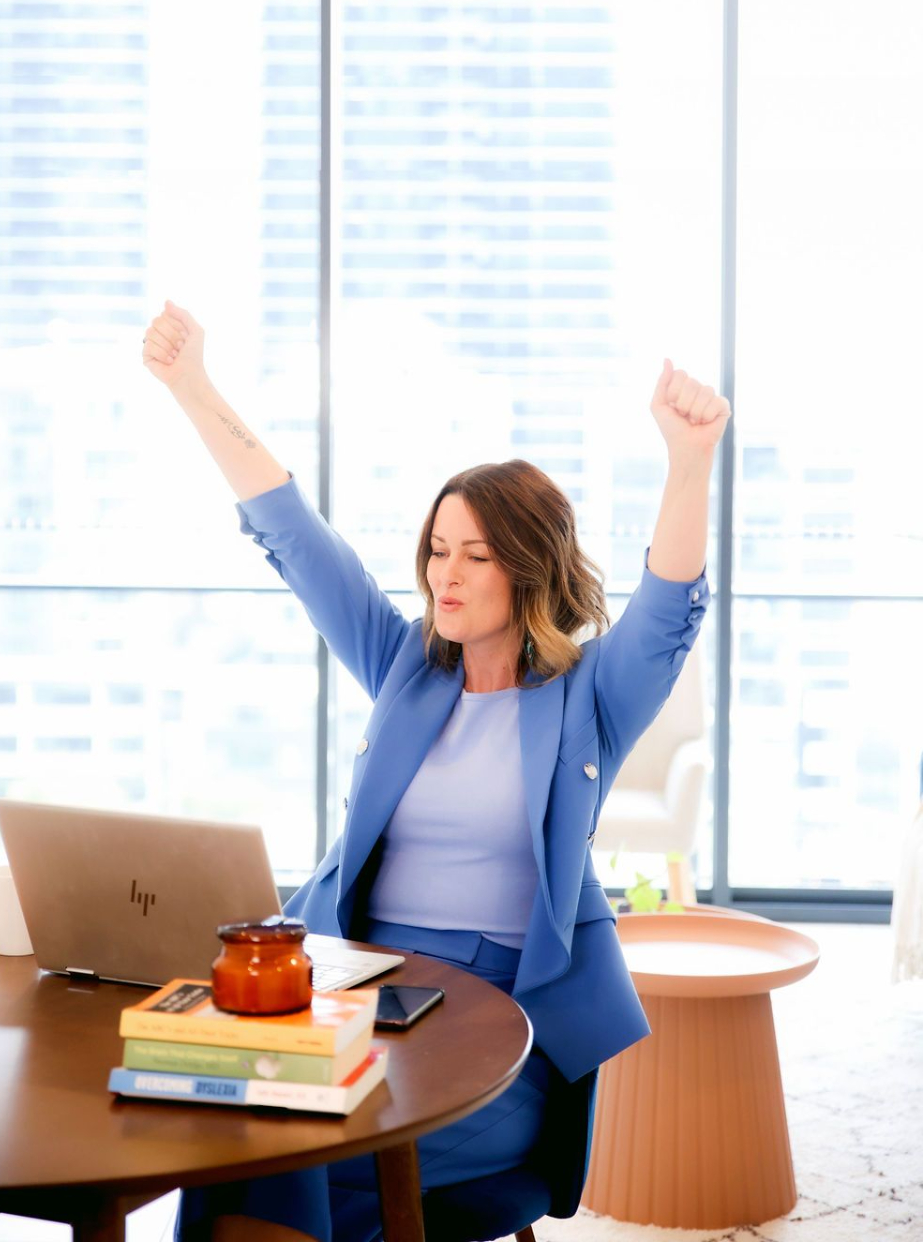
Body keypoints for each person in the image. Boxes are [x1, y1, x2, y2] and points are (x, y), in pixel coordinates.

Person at [142, 299, 731, 1242]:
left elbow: (667, 613)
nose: (443, 576)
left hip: (504, 1026)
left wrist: (689, 459)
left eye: (476, 556)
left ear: (527, 569)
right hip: (356, 987)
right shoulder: (404, 666)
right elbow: (294, 535)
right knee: (235, 1129)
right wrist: (193, 387)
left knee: (296, 1147)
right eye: (437, 551)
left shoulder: (588, 697)